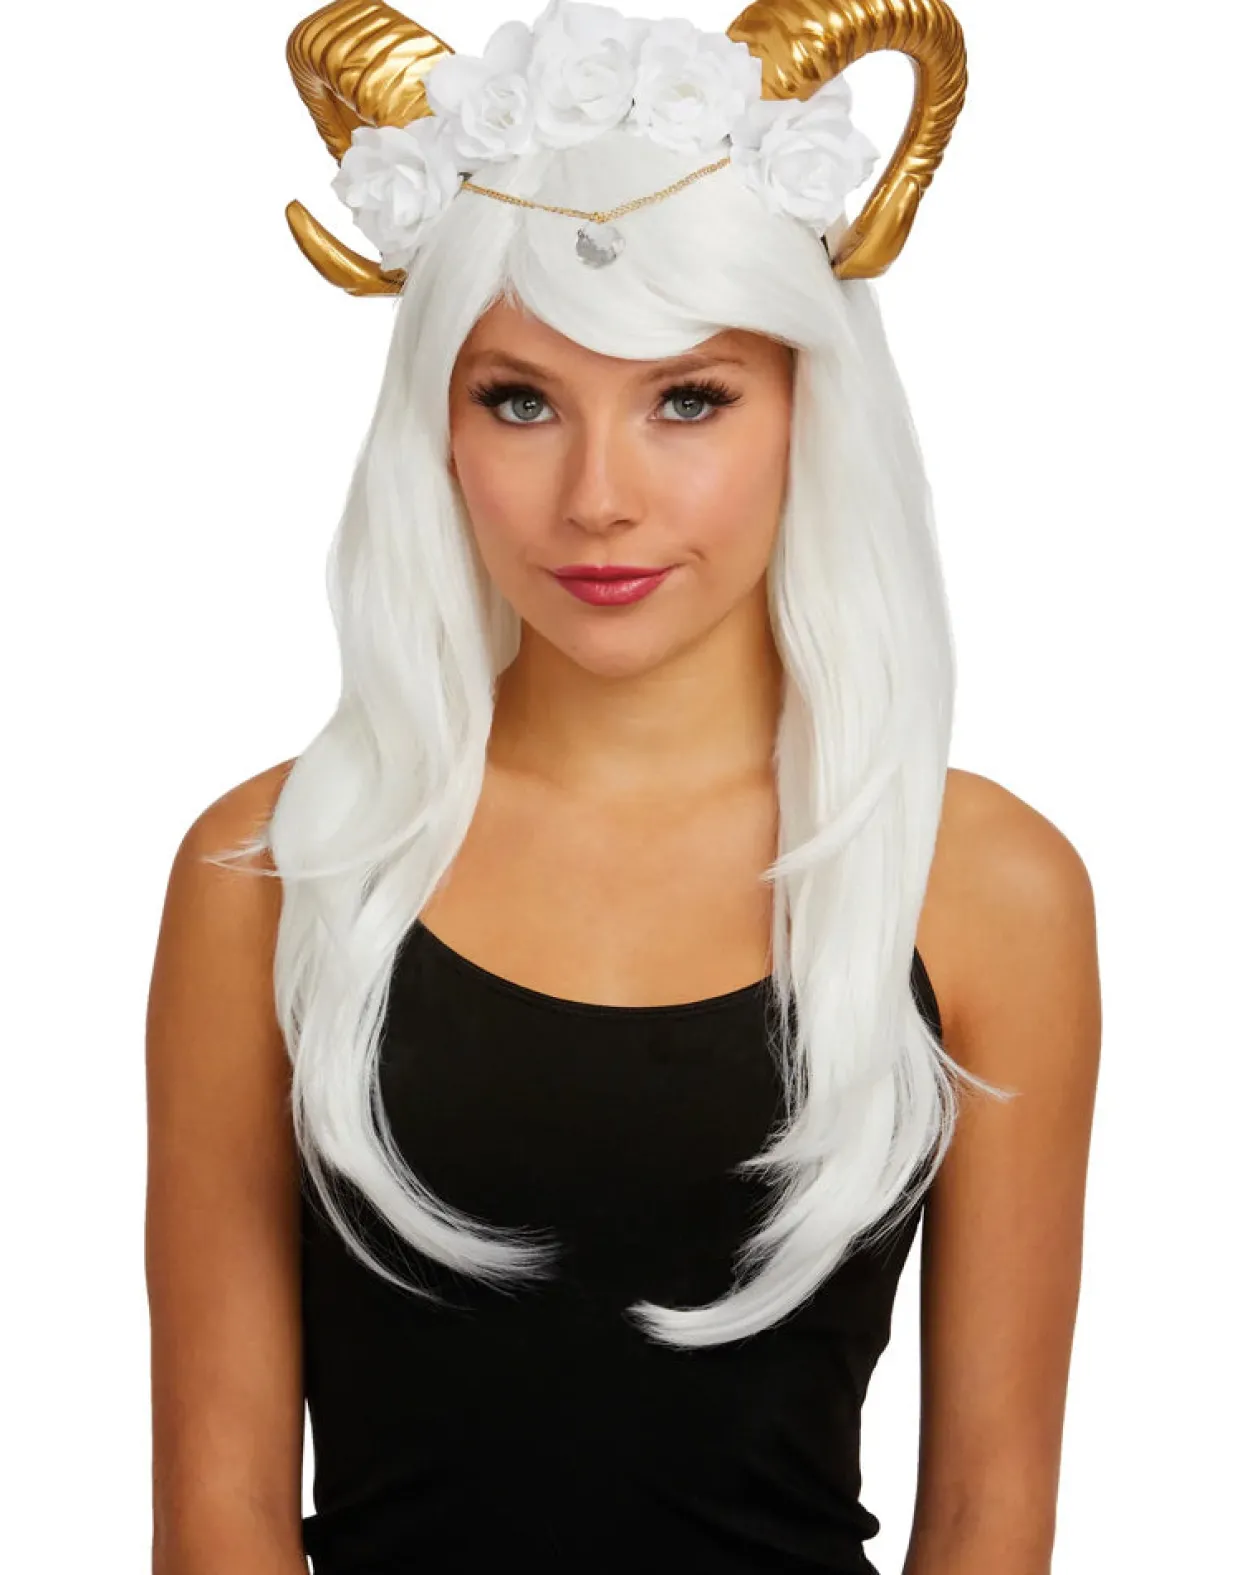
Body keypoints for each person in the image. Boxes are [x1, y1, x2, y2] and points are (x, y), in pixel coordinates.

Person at [144, 3, 1102, 1572]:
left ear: (810, 406)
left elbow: (991, 1514)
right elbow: (218, 1508)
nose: (599, 498)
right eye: (519, 400)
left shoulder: (984, 886)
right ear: (435, 428)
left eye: (689, 398)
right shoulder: (275, 867)